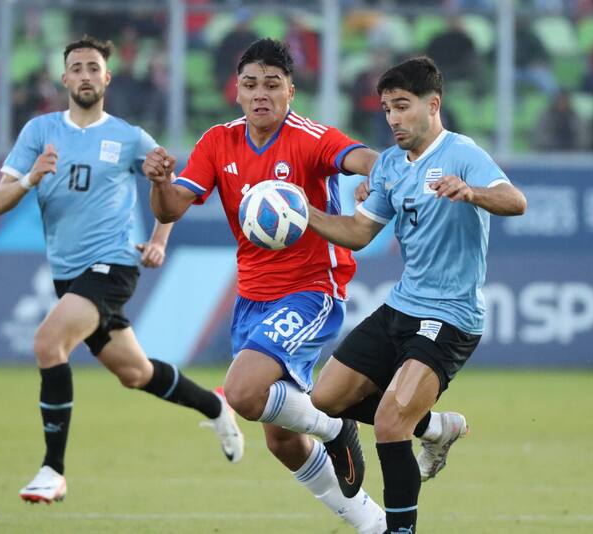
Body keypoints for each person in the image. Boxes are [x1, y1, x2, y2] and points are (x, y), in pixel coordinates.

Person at [143, 38, 452, 533]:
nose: (260, 94)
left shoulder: (309, 137)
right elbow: (171, 208)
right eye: (249, 85)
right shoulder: (216, 143)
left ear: (291, 90)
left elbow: (365, 158)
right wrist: (160, 183)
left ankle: (334, 425)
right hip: (252, 297)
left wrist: (376, 177)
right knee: (282, 441)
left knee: (243, 393)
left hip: (312, 289)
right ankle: (371, 523)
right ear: (237, 92)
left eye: (271, 84)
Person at [0, 36, 244, 505]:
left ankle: (53, 470)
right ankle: (215, 404)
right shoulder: (39, 132)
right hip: (68, 274)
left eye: (93, 67)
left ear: (107, 78)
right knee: (135, 372)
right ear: (64, 78)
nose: (85, 74)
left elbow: (172, 189)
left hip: (113, 264)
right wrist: (30, 178)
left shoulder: (128, 137)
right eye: (77, 68)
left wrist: (159, 242)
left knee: (49, 342)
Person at [305, 56, 527, 533]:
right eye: (386, 109)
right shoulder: (388, 166)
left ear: (433, 105)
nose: (392, 119)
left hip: (450, 315)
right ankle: (436, 428)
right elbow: (359, 233)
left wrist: (472, 192)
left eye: (402, 106)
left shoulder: (462, 153)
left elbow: (516, 201)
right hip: (402, 305)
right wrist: (302, 213)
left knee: (389, 424)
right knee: (324, 400)